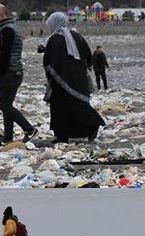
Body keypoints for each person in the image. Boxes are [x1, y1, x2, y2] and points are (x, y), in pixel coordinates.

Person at [43, 12, 104, 143]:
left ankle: (66, 133)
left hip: (60, 81)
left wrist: (50, 77)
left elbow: (48, 61)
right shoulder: (76, 36)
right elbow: (88, 55)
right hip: (79, 79)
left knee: (62, 107)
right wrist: (86, 68)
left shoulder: (54, 39)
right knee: (78, 106)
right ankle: (67, 134)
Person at [0, 4, 38, 145]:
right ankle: (7, 138)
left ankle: (29, 129)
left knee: (5, 106)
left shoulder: (7, 30)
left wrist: (0, 71)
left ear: (2, 15)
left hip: (10, 73)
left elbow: (5, 54)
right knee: (7, 106)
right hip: (12, 71)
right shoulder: (8, 28)